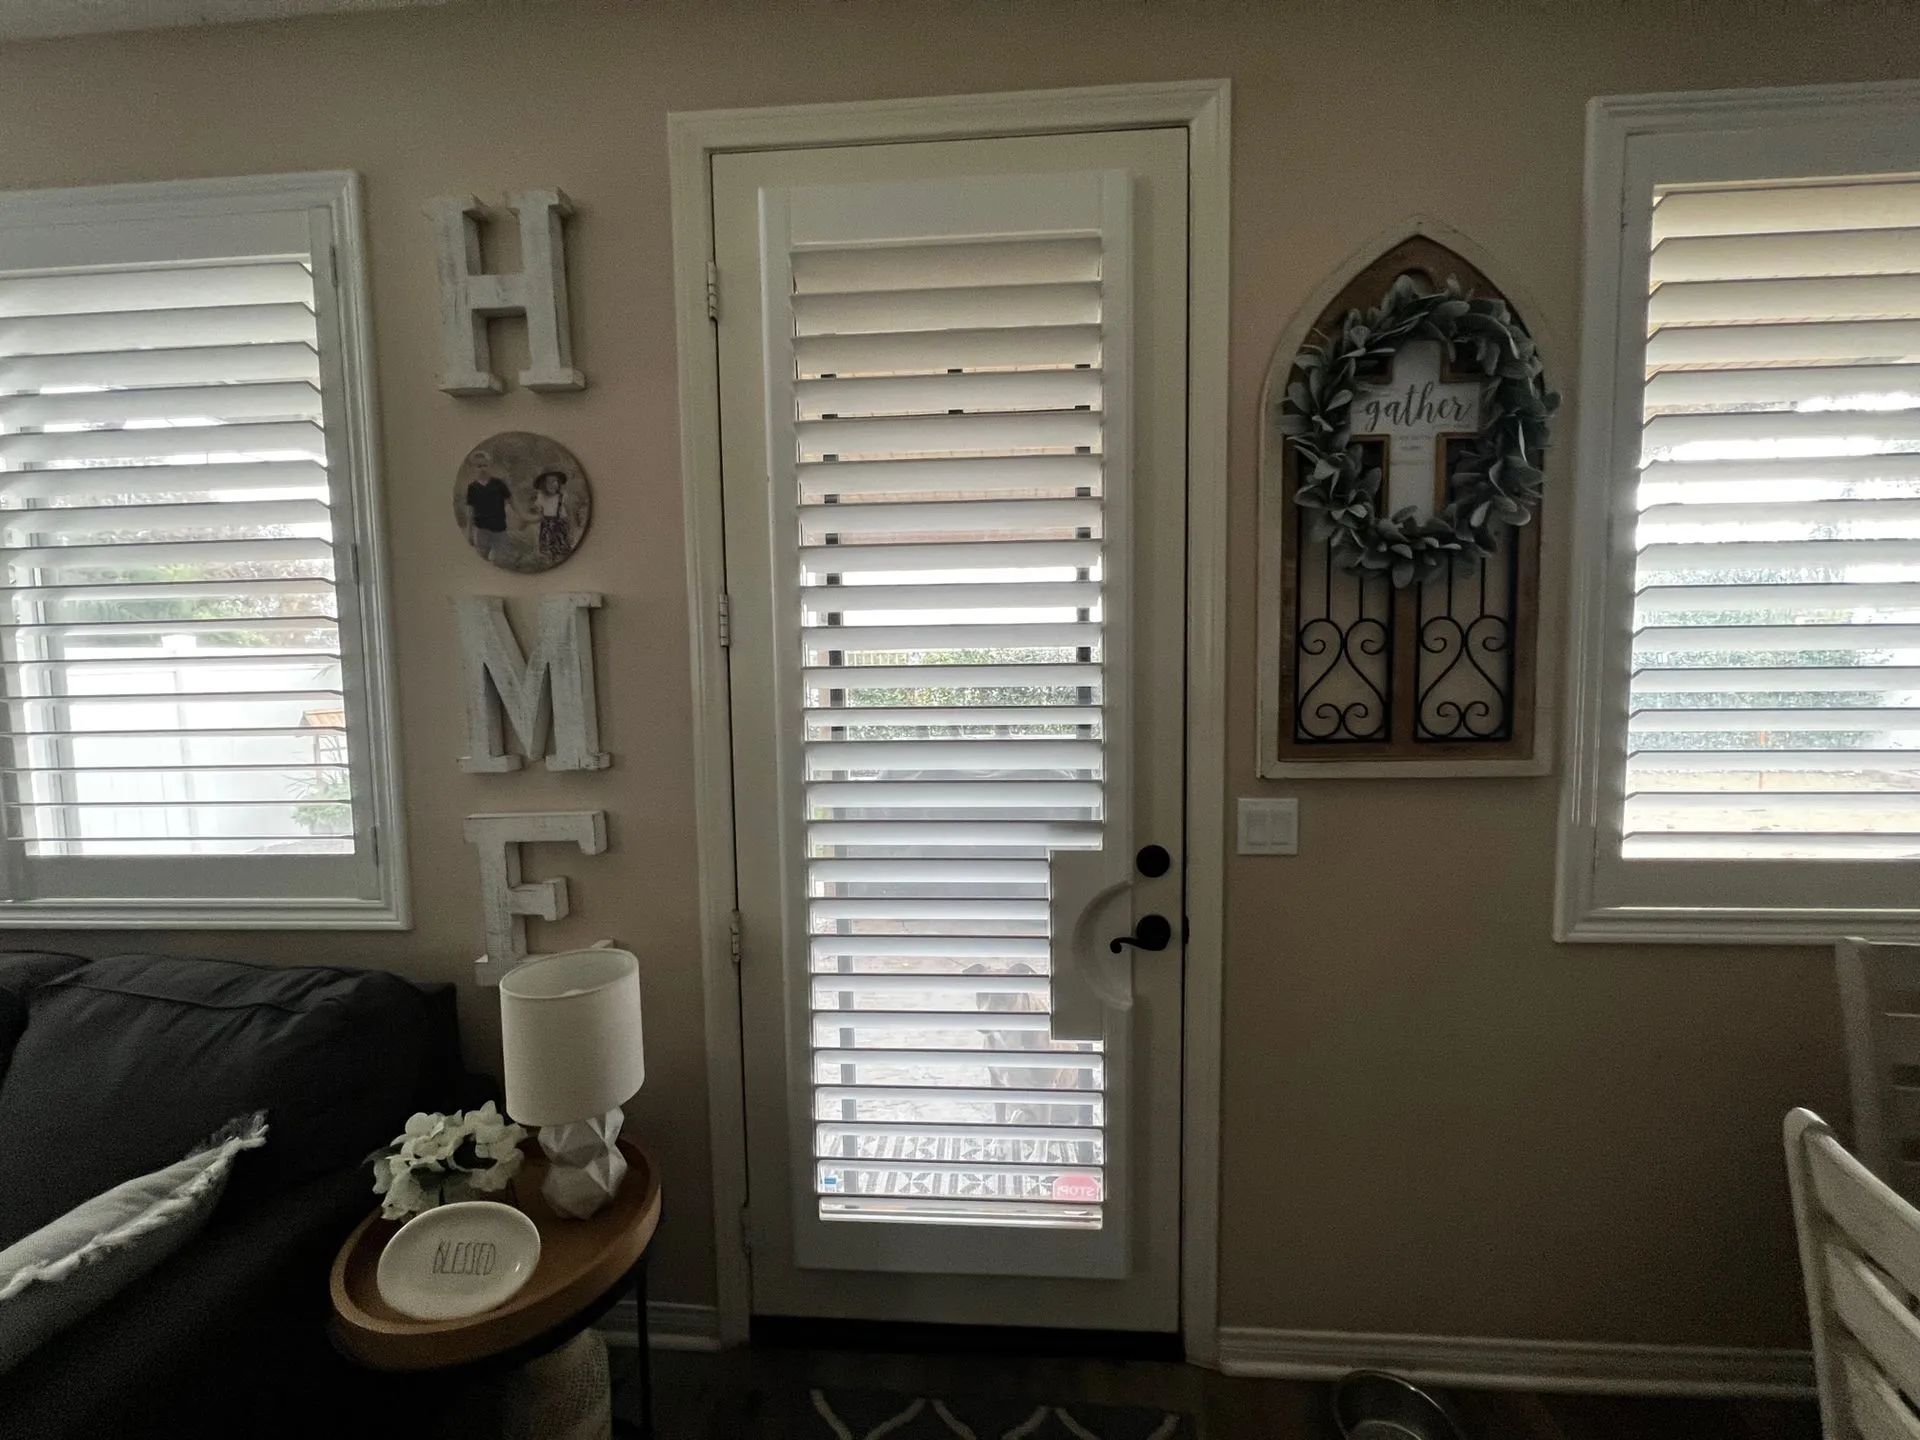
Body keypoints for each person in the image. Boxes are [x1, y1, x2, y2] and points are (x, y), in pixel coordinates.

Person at [464, 473, 513, 560]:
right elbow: (470, 511)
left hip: (499, 529)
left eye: (485, 465)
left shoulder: (499, 484)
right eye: (479, 466)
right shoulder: (472, 487)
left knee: (502, 560)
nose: (482, 468)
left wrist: (526, 517)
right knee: (481, 559)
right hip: (481, 529)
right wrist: (469, 532)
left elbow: (511, 501)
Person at [533, 469, 572, 565]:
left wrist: (569, 531)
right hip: (546, 528)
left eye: (554, 481)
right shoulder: (541, 497)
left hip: (560, 527)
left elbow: (567, 515)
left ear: (558, 483)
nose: (551, 484)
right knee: (547, 551)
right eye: (548, 482)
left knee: (562, 551)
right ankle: (549, 563)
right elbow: (538, 511)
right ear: (543, 484)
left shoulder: (561, 497)